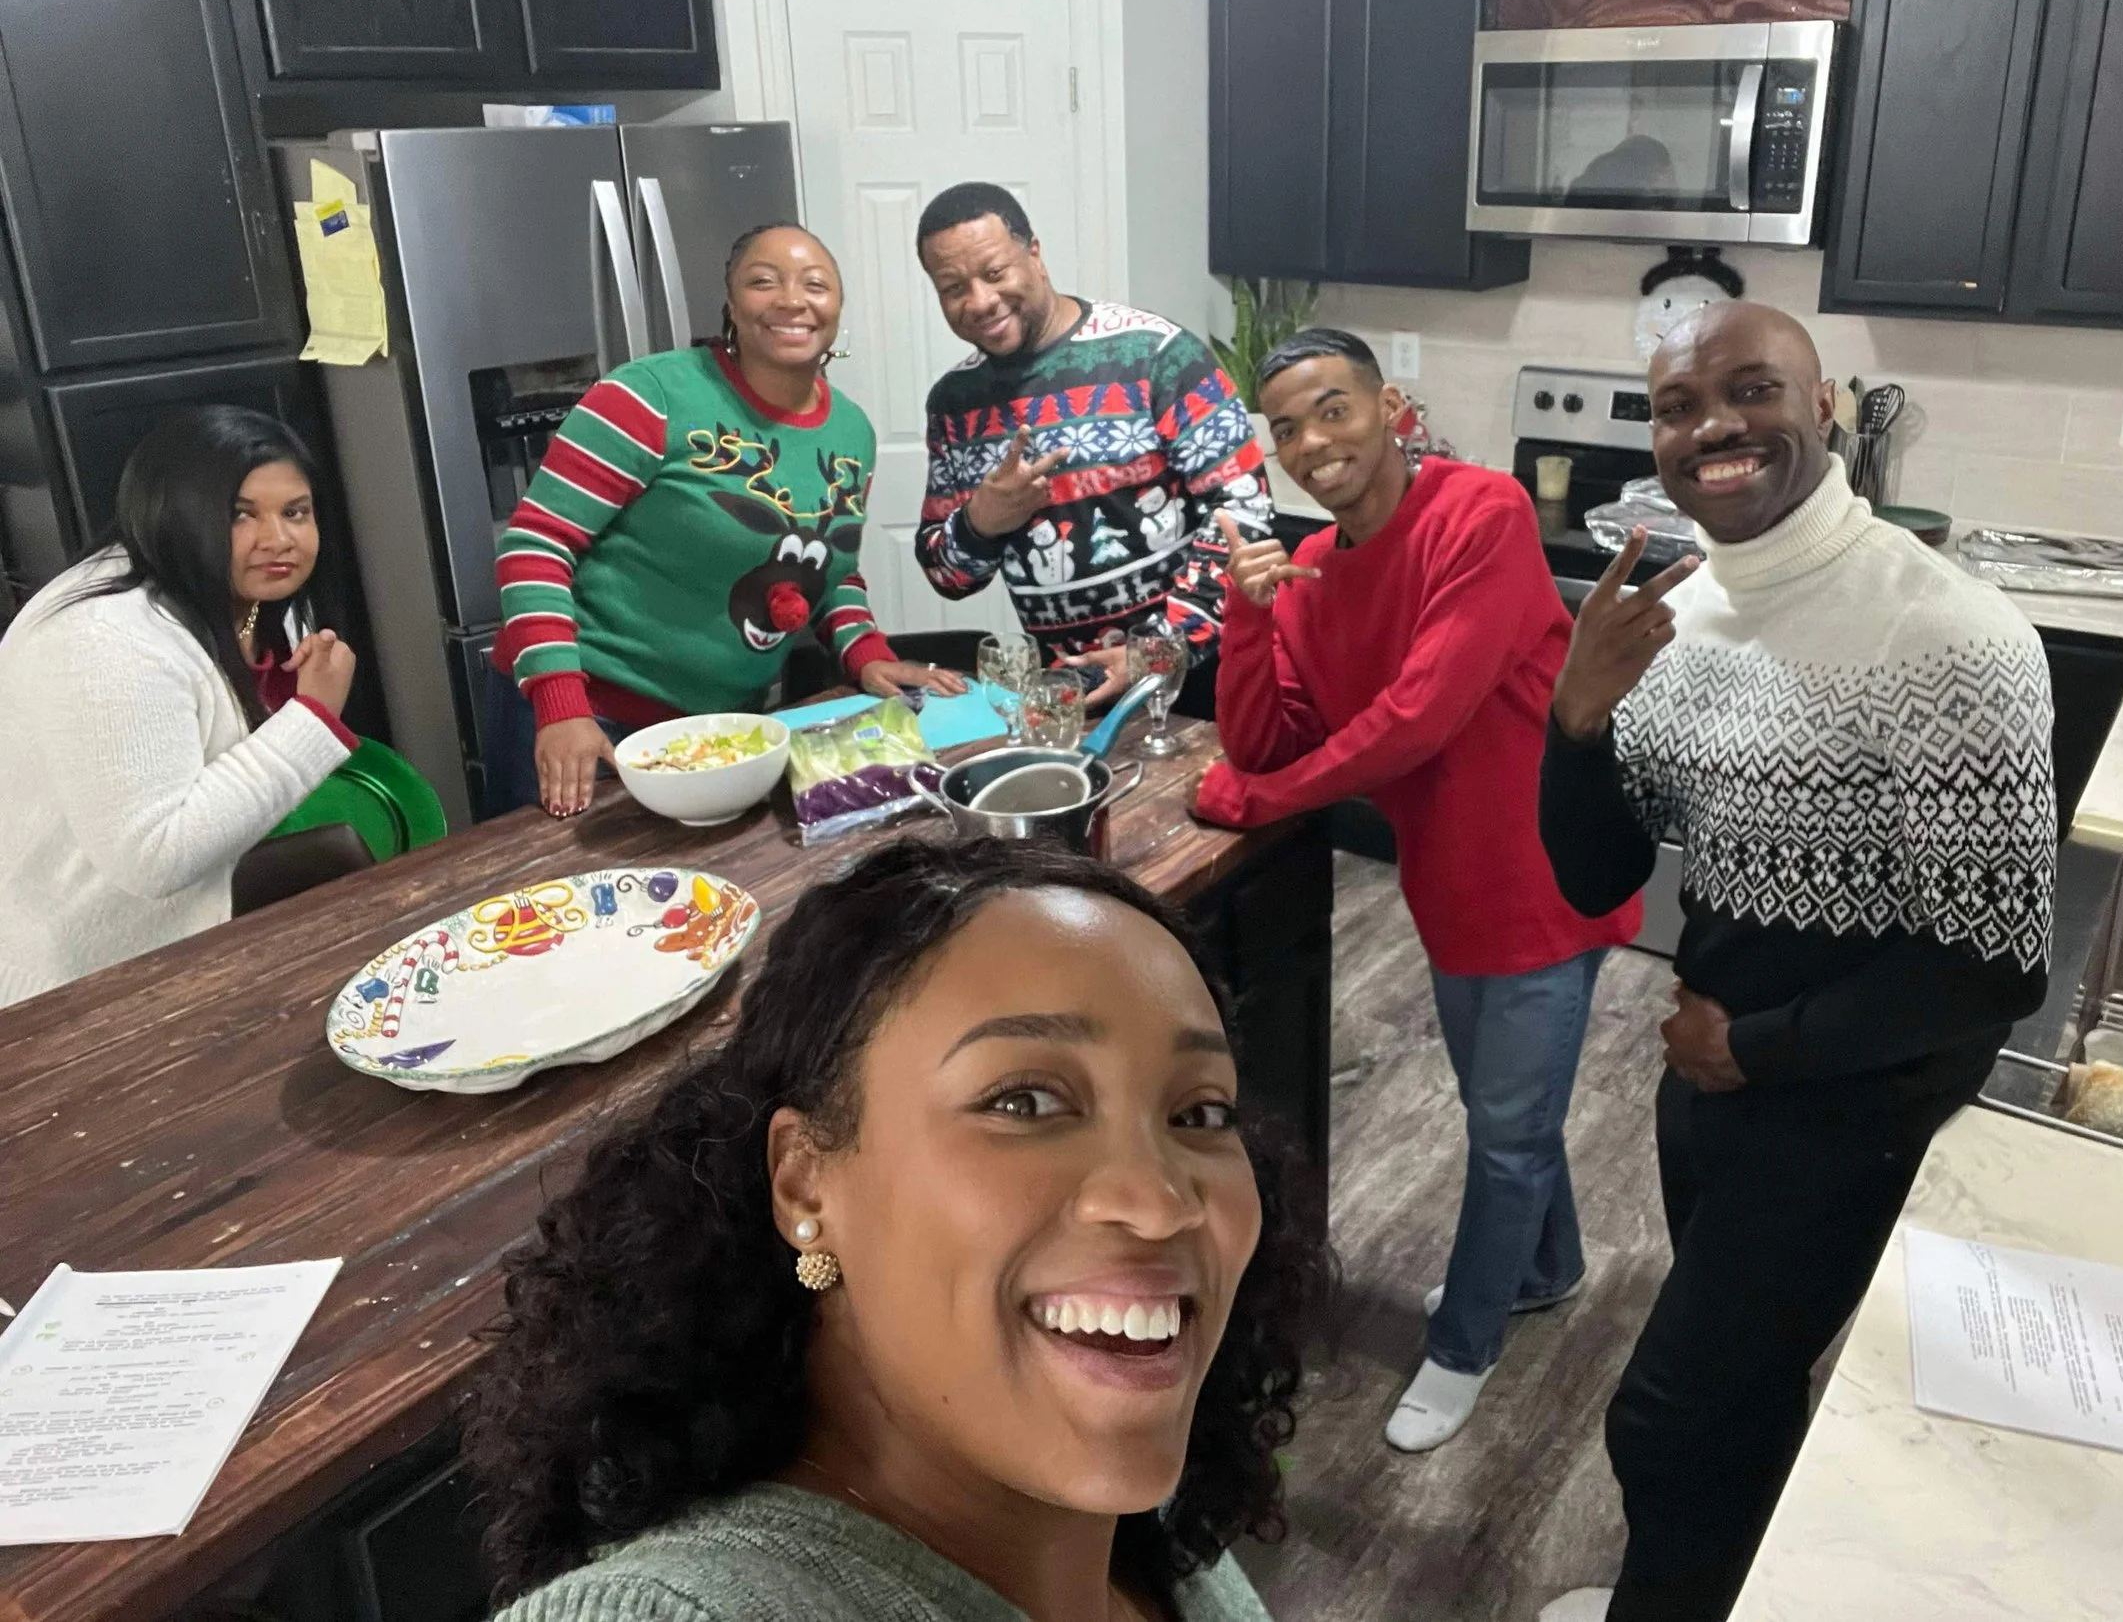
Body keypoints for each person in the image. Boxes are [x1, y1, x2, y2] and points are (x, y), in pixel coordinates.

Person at [1533, 302, 2058, 1622]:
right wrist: (1577, 718)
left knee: (1667, 1415)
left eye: (1751, 389)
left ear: (1825, 407)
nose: (1711, 425)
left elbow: (1991, 961)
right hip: (1714, 1084)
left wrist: (1752, 1047)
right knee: (1742, 1394)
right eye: (1676, 404)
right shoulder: (1683, 613)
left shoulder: (1950, 637)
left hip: (1852, 1103)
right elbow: (1595, 873)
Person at [464, 834, 1322, 1622]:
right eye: (1024, 1101)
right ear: (806, 1183)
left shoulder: (1135, 1518)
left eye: (1201, 1111)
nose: (1162, 1199)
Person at [1191, 327, 1639, 1454]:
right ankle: (1549, 1268)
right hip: (1447, 885)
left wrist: (1265, 800)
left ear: (1390, 406)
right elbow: (1260, 737)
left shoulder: (1479, 514)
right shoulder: (1315, 573)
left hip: (1546, 872)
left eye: (1331, 410)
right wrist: (1248, 616)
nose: (1310, 442)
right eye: (1286, 427)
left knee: (1502, 1129)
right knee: (1505, 1114)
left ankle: (1466, 1344)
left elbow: (1418, 716)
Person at [488, 223, 961, 818]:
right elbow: (535, 545)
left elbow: (826, 567)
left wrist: (865, 650)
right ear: (732, 306)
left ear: (837, 309)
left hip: (725, 730)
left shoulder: (852, 432)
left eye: (815, 284)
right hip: (589, 723)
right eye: (764, 282)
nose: (792, 299)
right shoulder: (648, 397)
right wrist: (562, 705)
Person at [0, 407, 360, 1005]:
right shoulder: (104, 637)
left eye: (295, 512)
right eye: (240, 515)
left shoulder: (252, 597)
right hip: (63, 988)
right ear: (176, 511)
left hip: (174, 945)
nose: (279, 539)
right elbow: (154, 856)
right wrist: (313, 721)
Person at [911, 182, 1269, 717]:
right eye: (952, 287)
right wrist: (982, 522)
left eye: (994, 273)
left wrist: (1158, 651)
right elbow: (948, 575)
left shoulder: (1155, 355)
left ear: (1034, 254)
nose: (980, 301)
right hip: (1070, 695)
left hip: (1201, 680)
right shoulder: (954, 404)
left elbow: (1244, 512)